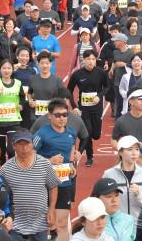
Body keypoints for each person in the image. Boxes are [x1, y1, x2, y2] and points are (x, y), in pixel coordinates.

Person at [0, 130, 59, 241]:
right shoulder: (6, 169)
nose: (24, 148)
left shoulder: (44, 164)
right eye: (20, 144)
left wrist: (51, 209)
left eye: (27, 143)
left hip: (40, 224)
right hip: (15, 225)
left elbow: (53, 186)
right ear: (13, 146)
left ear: (32, 144)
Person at [33, 99, 79, 241]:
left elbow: (71, 147)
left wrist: (71, 163)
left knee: (62, 223)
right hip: (44, 184)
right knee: (47, 223)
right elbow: (29, 156)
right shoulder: (42, 133)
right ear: (50, 116)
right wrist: (49, 161)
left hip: (64, 182)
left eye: (65, 115)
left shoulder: (71, 132)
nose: (62, 118)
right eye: (57, 115)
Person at [67, 50, 109, 167]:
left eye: (93, 59)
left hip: (97, 108)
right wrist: (74, 106)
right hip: (83, 109)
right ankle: (89, 157)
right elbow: (69, 90)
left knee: (96, 135)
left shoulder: (101, 73)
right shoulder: (77, 74)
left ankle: (91, 144)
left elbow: (107, 87)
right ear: (83, 60)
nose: (91, 61)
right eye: (88, 59)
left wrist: (99, 96)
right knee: (88, 132)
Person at [103, 135, 142, 224]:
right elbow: (103, 202)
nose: (134, 153)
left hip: (140, 225)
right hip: (117, 225)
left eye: (137, 149)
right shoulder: (109, 174)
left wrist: (139, 194)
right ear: (120, 152)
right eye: (130, 149)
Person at [0, 59, 25, 164]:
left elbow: (22, 97)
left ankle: (11, 169)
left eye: (9, 68)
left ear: (12, 69)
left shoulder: (18, 83)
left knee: (11, 150)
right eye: (4, 68)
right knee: (1, 151)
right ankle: (3, 169)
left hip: (13, 120)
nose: (6, 70)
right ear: (0, 70)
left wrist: (21, 105)